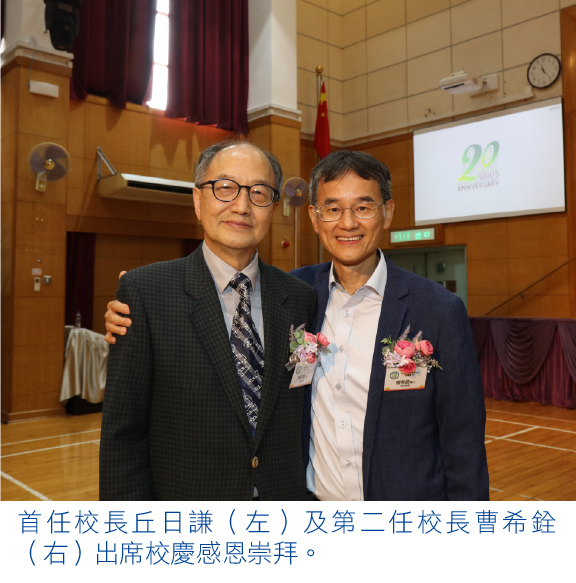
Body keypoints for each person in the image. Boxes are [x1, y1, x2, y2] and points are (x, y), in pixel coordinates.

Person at [105, 149, 489, 501]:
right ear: (314, 218)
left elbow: (464, 442)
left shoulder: (435, 310)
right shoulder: (298, 294)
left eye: (363, 207)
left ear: (387, 213)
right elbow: (124, 437)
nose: (348, 222)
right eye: (332, 208)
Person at [99, 141, 316, 500]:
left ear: (273, 208)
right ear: (198, 200)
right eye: (225, 188)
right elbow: (123, 435)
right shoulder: (145, 293)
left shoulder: (300, 297)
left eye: (259, 192)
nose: (242, 206)